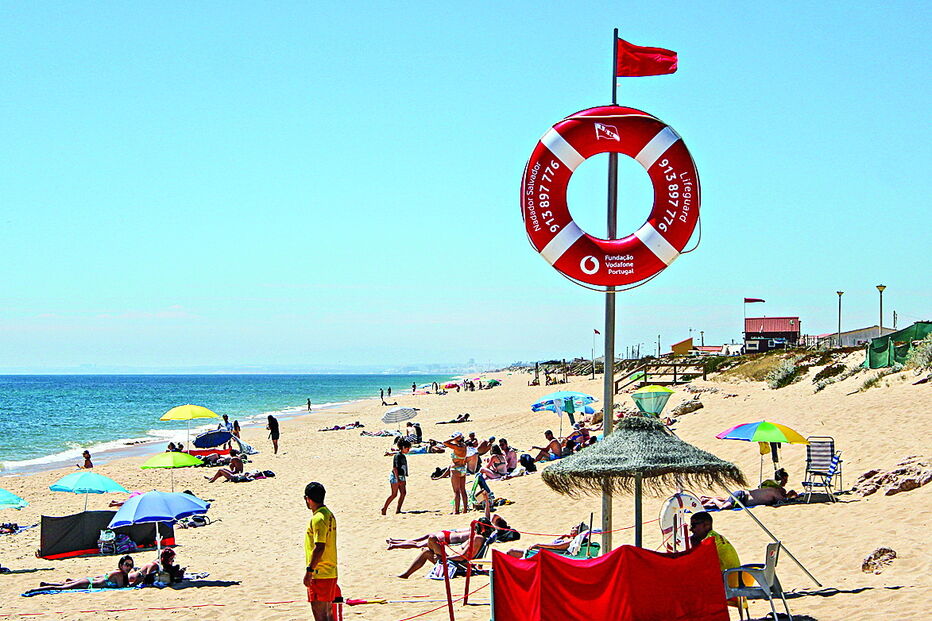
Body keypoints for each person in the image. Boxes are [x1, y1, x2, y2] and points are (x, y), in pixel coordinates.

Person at [398, 501, 494, 578]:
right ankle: (406, 575)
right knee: (426, 550)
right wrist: (486, 500)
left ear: (482, 528)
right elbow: (487, 519)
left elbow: (463, 557)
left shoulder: (477, 538)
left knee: (432, 538)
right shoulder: (480, 537)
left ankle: (405, 574)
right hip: (453, 561)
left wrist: (445, 558)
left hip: (456, 564)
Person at [304, 482, 339, 621]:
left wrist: (309, 571)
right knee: (328, 612)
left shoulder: (318, 518)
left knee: (320, 615)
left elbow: (319, 547)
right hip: (330, 571)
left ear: (308, 499)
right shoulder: (329, 514)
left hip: (320, 573)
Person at [387, 512, 512, 550]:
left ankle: (395, 543)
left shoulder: (476, 531)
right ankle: (395, 543)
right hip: (447, 537)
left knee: (419, 542)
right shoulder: (478, 533)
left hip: (447, 534)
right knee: (419, 543)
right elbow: (491, 516)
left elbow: (491, 517)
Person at [689, 512, 744, 591]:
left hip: (728, 581)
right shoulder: (715, 536)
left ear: (706, 526)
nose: (691, 529)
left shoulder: (710, 540)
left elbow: (699, 563)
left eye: (693, 526)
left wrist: (694, 544)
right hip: (733, 578)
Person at [26, 556, 134, 594]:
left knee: (65, 585)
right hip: (88, 584)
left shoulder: (116, 571)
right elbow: (122, 587)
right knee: (62, 588)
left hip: (89, 580)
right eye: (127, 565)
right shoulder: (120, 575)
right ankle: (34, 590)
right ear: (121, 565)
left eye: (130, 565)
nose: (129, 567)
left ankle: (47, 583)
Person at [506, 523, 587, 557]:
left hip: (542, 555)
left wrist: (538, 544)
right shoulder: (570, 541)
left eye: (574, 528)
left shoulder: (572, 542)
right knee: (511, 552)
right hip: (542, 553)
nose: (572, 528)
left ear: (578, 531)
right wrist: (562, 537)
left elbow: (556, 547)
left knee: (511, 552)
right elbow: (554, 544)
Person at [442, 432, 470, 514]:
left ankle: (456, 510)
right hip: (463, 468)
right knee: (463, 490)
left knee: (456, 491)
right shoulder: (464, 446)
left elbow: (445, 442)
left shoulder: (457, 447)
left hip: (456, 469)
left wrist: (454, 439)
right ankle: (465, 509)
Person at [381, 440, 410, 515]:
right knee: (394, 494)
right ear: (403, 448)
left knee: (403, 493)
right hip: (395, 476)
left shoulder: (402, 455)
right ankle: (384, 508)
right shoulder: (397, 456)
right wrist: (398, 479)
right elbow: (395, 468)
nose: (408, 450)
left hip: (402, 476)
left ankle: (398, 509)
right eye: (407, 448)